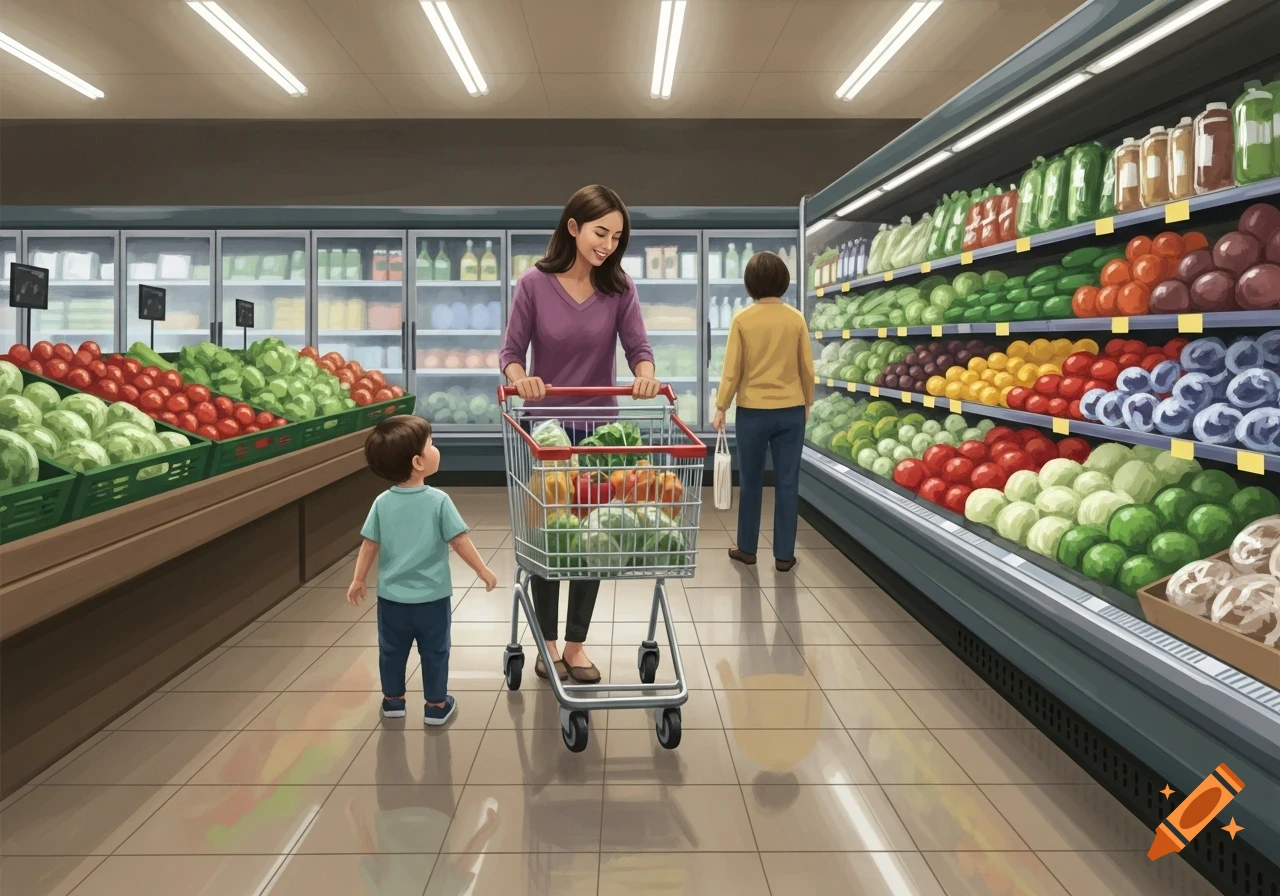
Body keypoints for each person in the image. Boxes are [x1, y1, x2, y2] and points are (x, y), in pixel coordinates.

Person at [499, 184, 659, 684]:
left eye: (616, 236)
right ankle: (546, 643)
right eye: (599, 232)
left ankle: (575, 645)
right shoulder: (532, 284)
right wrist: (519, 379)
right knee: (550, 538)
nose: (608, 244)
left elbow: (638, 347)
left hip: (598, 433)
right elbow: (510, 354)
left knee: (593, 538)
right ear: (573, 228)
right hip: (544, 434)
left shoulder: (620, 288)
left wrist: (646, 372)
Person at [347, 415, 497, 725]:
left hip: (391, 600)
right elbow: (459, 541)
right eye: (431, 444)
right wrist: (482, 570)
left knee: (391, 651)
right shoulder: (438, 501)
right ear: (418, 462)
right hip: (432, 598)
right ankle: (435, 706)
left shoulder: (382, 502)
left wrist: (359, 579)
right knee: (435, 652)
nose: (435, 448)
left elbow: (369, 544)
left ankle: (393, 701)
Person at [712, 251, 814, 572]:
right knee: (787, 482)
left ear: (750, 283)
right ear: (783, 281)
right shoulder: (795, 318)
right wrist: (807, 402)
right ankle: (784, 555)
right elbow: (807, 369)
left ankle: (747, 548)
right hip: (791, 411)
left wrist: (721, 406)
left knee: (752, 481)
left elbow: (732, 371)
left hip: (753, 412)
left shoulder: (742, 320)